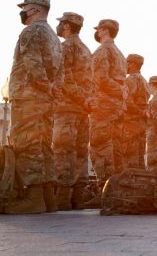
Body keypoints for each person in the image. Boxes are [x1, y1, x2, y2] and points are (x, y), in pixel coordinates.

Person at [6, 0, 63, 214]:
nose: (22, 12)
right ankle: (48, 197)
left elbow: (32, 61)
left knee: (27, 143)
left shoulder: (31, 31)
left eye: (25, 8)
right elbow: (61, 70)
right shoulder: (54, 37)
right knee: (43, 145)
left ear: (35, 10)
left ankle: (33, 197)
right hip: (46, 99)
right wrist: (53, 89)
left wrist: (42, 85)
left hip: (28, 95)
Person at [52, 12, 94, 211]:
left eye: (61, 23)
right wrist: (86, 100)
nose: (58, 27)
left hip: (67, 107)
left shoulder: (66, 47)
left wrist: (79, 97)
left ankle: (62, 198)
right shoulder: (86, 49)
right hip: (82, 110)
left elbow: (64, 77)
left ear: (67, 26)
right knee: (79, 152)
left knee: (63, 150)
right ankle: (77, 197)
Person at [85, 19, 126, 209]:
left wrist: (115, 90)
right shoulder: (119, 53)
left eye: (98, 30)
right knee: (115, 147)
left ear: (103, 31)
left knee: (100, 146)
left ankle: (105, 191)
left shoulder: (102, 51)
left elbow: (99, 79)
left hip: (104, 104)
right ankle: (116, 190)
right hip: (117, 106)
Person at [123, 54, 149, 169]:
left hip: (131, 123)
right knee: (139, 157)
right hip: (141, 124)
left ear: (132, 64)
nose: (125, 65)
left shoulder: (131, 79)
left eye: (127, 63)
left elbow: (128, 101)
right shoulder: (144, 80)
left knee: (129, 157)